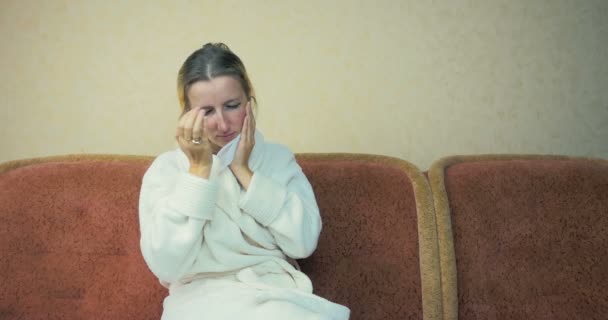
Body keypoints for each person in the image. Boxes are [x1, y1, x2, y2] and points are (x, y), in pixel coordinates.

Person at [138, 43, 350, 320]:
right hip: (198, 302)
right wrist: (199, 172)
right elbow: (166, 266)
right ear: (187, 114)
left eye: (232, 106)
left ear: (249, 101)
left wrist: (245, 171)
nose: (223, 124)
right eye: (207, 111)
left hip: (272, 296)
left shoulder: (276, 159)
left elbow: (303, 243)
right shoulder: (165, 170)